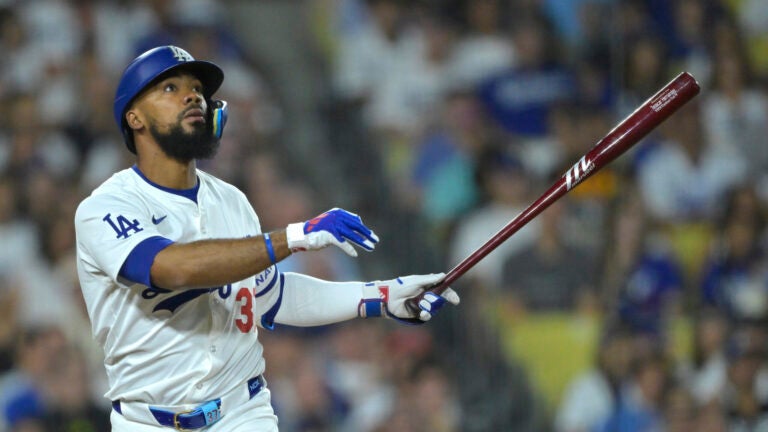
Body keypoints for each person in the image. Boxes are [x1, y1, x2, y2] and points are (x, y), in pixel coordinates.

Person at [73, 45, 459, 432]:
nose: (193, 96)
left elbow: (270, 297)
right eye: (170, 88)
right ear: (134, 117)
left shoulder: (232, 201)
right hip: (147, 423)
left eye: (197, 88)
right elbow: (169, 268)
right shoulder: (105, 207)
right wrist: (294, 237)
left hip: (243, 412)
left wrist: (382, 296)